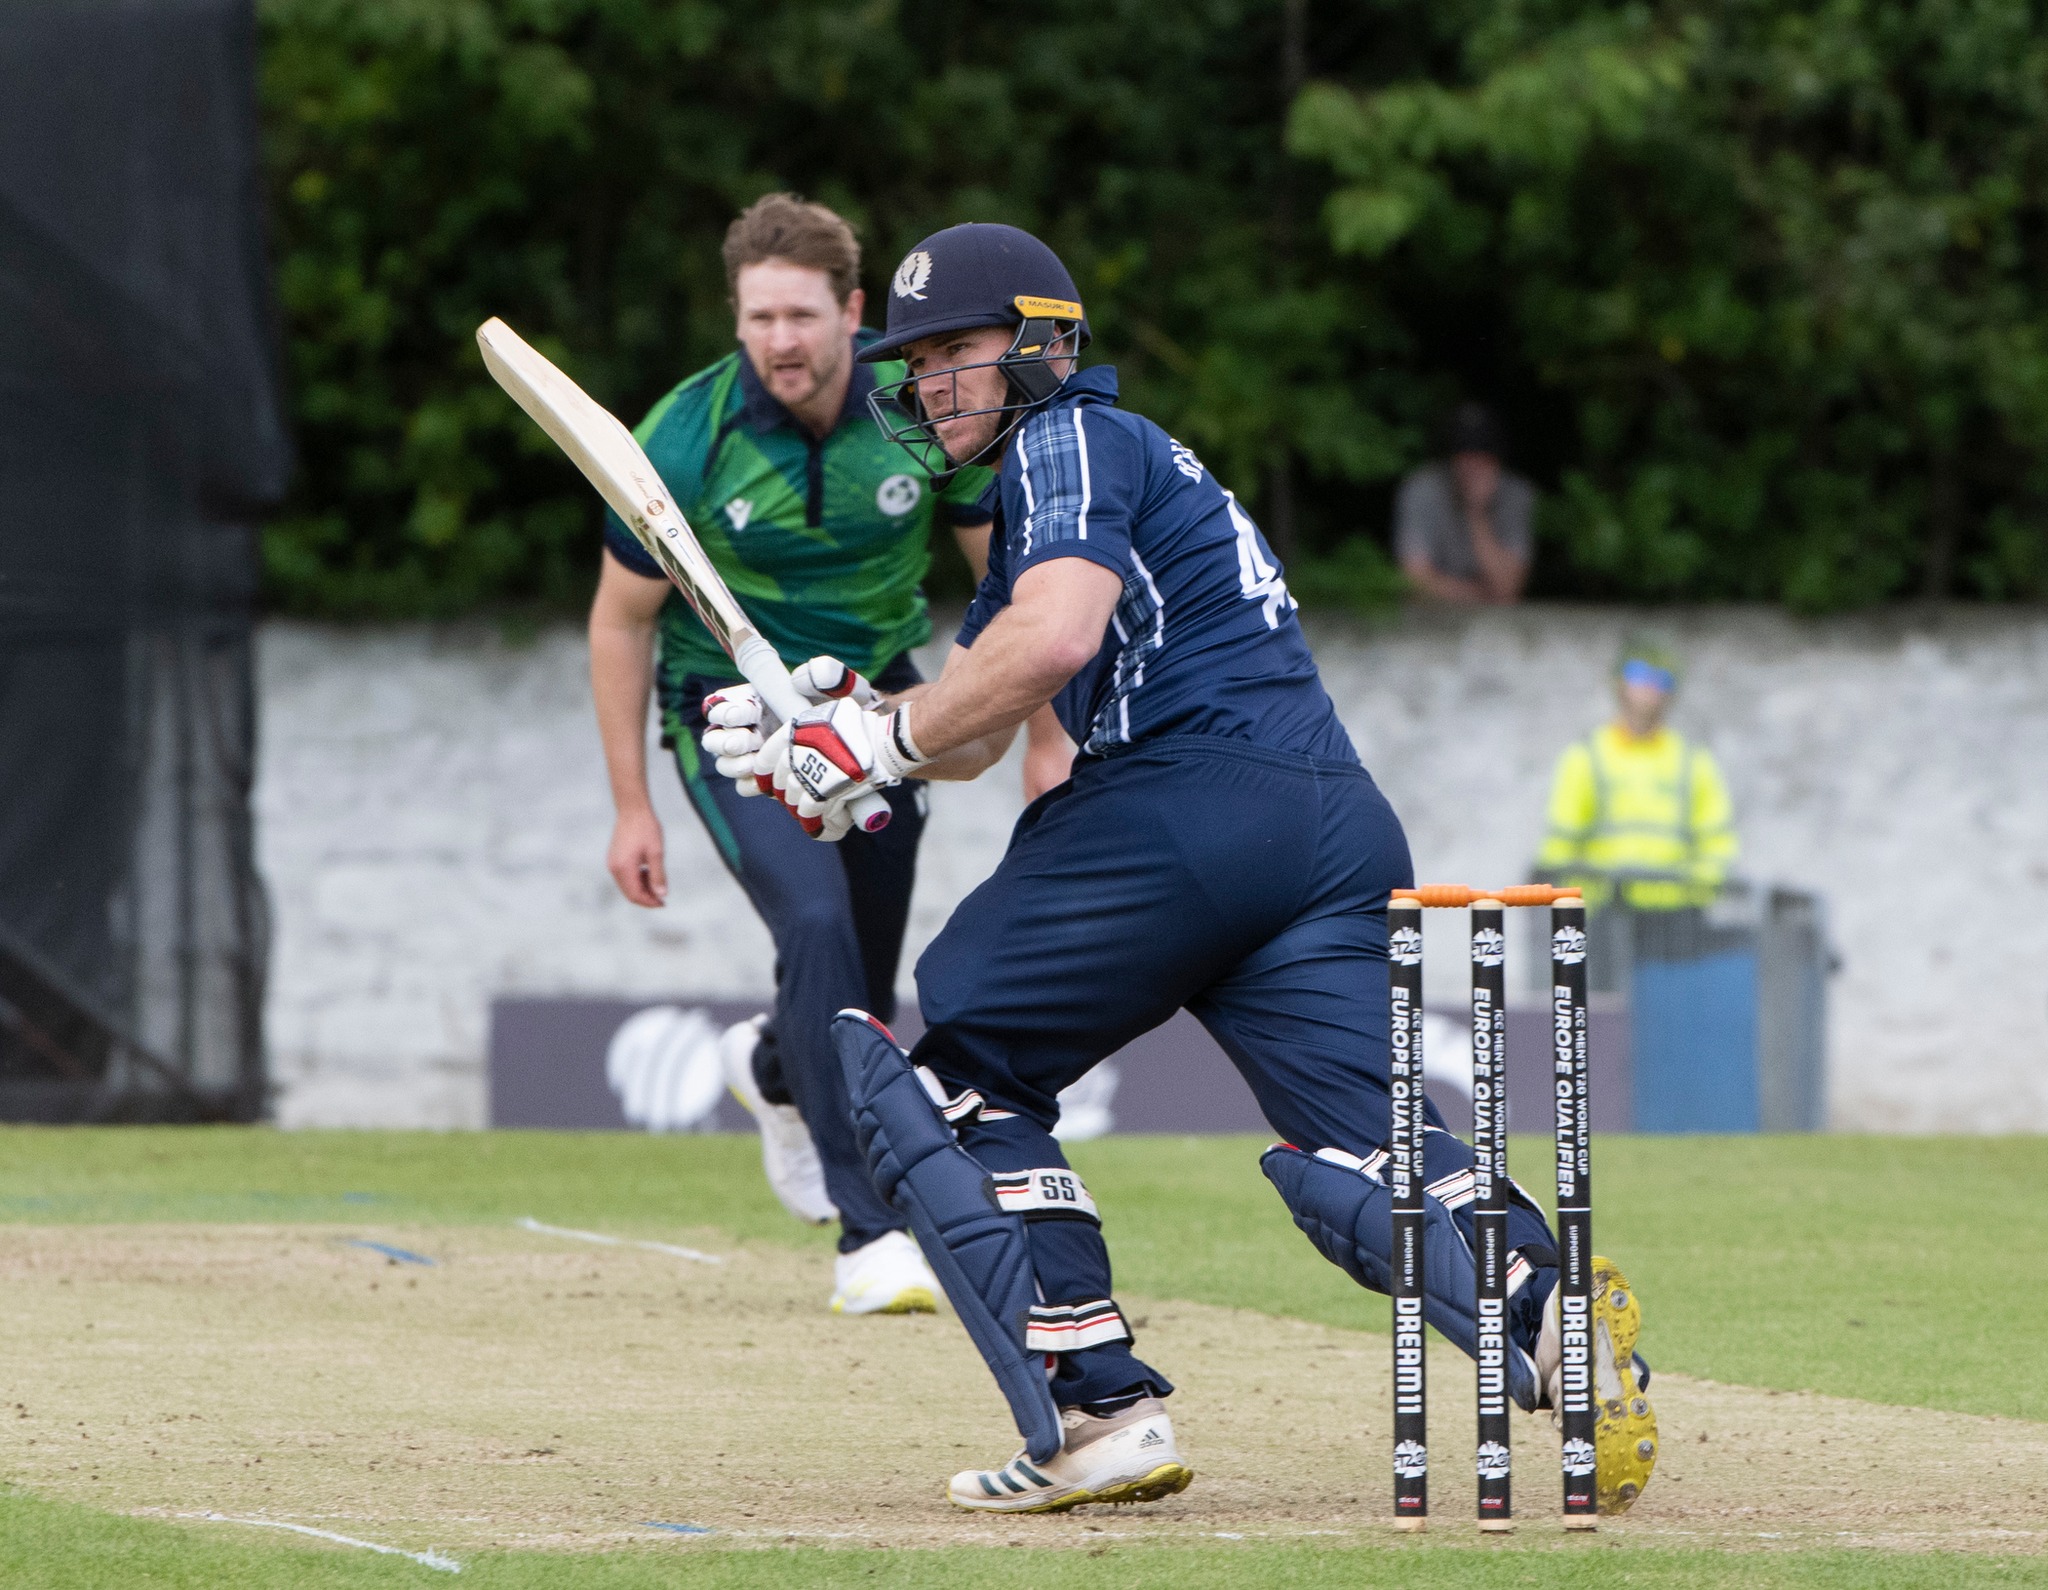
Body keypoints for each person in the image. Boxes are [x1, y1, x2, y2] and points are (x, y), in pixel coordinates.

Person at [708, 223, 1659, 1516]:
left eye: (960, 353)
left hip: (1189, 796)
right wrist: (822, 723)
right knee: (1362, 1143)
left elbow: (1053, 642)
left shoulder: (1070, 441)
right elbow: (979, 727)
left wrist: (875, 739)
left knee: (958, 1069)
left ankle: (1100, 1411)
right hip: (1328, 822)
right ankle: (1561, 1330)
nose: (933, 386)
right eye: (918, 362)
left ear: (1044, 343)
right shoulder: (1073, 479)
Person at [589, 193, 993, 1316]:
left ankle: (774, 1068)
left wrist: (1039, 735)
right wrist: (632, 806)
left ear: (850, 310)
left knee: (860, 986)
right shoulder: (685, 434)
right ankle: (869, 1233)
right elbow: (620, 621)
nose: (779, 340)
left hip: (874, 714)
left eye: (801, 316)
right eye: (757, 316)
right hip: (726, 717)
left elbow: (1006, 582)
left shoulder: (914, 407)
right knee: (812, 922)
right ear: (736, 315)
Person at [1534, 637, 1738, 912]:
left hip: (1676, 922)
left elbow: (1718, 845)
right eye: (1639, 674)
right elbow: (1560, 844)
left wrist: (1695, 896)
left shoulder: (1693, 761)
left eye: (1662, 679)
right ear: (1619, 682)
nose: (1650, 687)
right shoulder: (1586, 757)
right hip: (1604, 916)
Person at [1394, 403, 1534, 604]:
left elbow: (1507, 588)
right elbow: (1414, 582)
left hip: (1495, 625)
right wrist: (1480, 595)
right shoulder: (1420, 489)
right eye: (1464, 451)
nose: (1472, 463)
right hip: (1430, 622)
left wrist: (1476, 513)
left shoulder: (1517, 495)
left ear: (1497, 458)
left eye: (1482, 452)